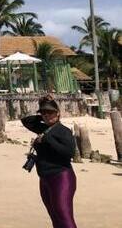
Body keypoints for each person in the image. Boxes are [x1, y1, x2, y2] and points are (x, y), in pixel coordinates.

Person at [21, 95, 78, 228]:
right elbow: (26, 121)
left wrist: (48, 140)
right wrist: (44, 112)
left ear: (58, 113)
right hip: (45, 178)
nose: (47, 115)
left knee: (64, 216)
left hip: (61, 177)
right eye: (44, 113)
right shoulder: (43, 128)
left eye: (50, 112)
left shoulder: (63, 131)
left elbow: (69, 153)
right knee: (54, 216)